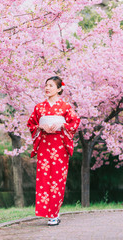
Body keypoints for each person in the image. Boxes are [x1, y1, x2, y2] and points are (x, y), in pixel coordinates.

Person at [27, 76, 80, 226]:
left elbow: (74, 122)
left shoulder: (65, 107)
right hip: (44, 145)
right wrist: (39, 127)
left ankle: (54, 213)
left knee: (57, 179)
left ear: (58, 89)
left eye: (51, 85)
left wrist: (62, 126)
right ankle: (46, 211)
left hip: (59, 146)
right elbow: (31, 123)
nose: (47, 88)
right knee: (44, 178)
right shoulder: (39, 107)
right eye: (46, 85)